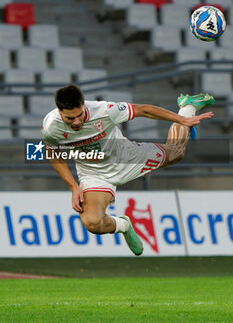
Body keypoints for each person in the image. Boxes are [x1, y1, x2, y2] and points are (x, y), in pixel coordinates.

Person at [41, 85, 214, 256]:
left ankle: (187, 108)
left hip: (127, 158)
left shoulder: (104, 111)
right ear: (59, 111)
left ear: (84, 105)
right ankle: (124, 225)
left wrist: (182, 120)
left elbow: (144, 110)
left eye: (79, 115)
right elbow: (53, 154)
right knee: (92, 223)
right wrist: (74, 187)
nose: (77, 122)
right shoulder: (51, 127)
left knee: (176, 154)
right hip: (94, 174)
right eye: (70, 119)